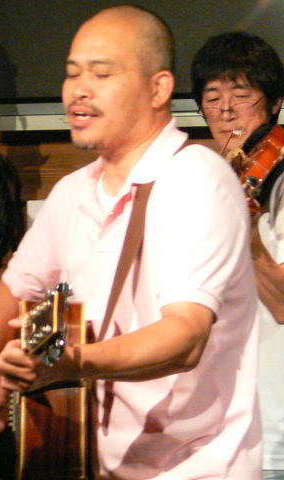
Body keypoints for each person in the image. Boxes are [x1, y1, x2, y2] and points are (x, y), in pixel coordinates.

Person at [0, 5, 260, 479]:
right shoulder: (73, 193)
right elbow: (11, 290)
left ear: (158, 89)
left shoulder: (196, 180)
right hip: (97, 463)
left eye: (101, 74)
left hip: (198, 468)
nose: (78, 90)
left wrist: (70, 364)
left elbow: (185, 337)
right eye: (72, 73)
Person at [192, 32, 284, 480]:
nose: (226, 110)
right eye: (212, 98)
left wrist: (241, 227)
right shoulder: (216, 180)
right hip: (217, 426)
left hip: (273, 423)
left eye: (242, 94)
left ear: (275, 103)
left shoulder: (277, 180)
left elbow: (283, 302)